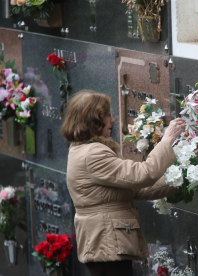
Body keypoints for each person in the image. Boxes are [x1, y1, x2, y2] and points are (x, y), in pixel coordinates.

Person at [60, 90, 185, 276]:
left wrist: (184, 178)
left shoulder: (83, 149)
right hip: (107, 244)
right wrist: (167, 140)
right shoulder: (93, 154)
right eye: (108, 115)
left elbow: (134, 189)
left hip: (106, 244)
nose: (113, 120)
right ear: (94, 122)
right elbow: (144, 174)